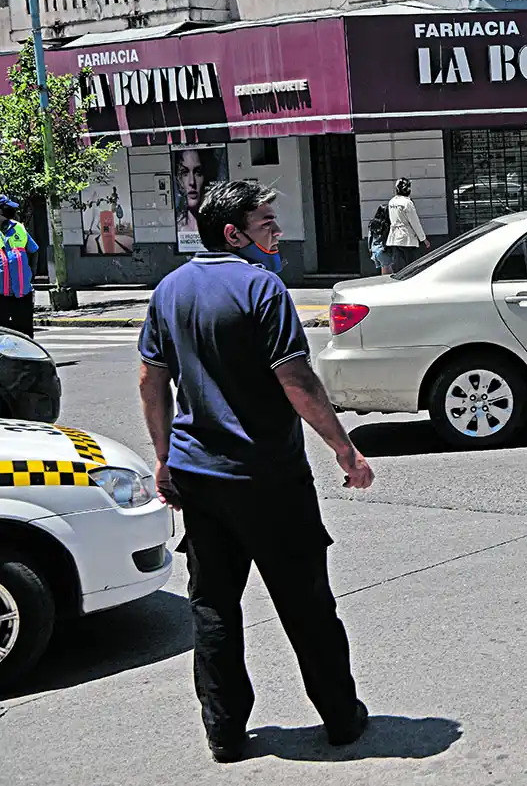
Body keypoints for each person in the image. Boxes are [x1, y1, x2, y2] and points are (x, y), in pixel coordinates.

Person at [137, 181, 375, 764]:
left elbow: (151, 381)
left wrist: (165, 457)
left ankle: (224, 732)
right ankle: (342, 719)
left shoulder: (169, 290)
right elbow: (297, 382)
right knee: (307, 603)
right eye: (266, 221)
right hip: (267, 478)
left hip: (199, 476)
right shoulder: (261, 287)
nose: (277, 230)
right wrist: (346, 451)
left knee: (214, 605)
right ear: (232, 232)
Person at [0, 194, 39, 337]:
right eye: (7, 208)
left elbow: (34, 251)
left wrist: (31, 274)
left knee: (26, 336)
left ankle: (27, 360)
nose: (11, 211)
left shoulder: (19, 228)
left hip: (22, 293)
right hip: (1, 295)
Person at [384, 178, 428, 272]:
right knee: (411, 267)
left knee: (399, 267)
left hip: (395, 237)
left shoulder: (392, 202)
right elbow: (415, 222)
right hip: (407, 238)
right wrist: (423, 239)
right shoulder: (407, 203)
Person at [367, 204, 393, 275]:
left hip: (375, 250)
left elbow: (370, 238)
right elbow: (386, 238)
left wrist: (370, 250)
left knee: (384, 271)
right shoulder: (387, 224)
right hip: (384, 250)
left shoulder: (372, 223)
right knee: (388, 275)